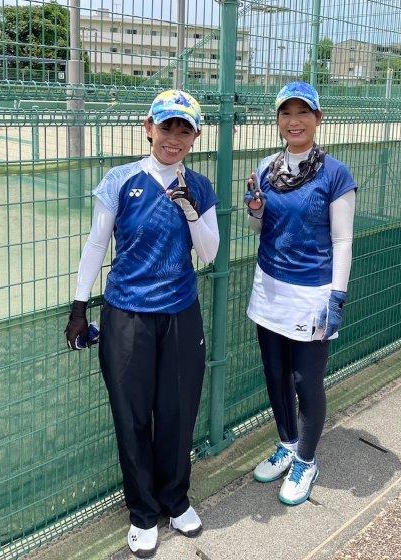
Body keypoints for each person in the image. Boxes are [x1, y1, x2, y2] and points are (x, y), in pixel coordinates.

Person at [65, 89, 219, 557]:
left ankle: (176, 499)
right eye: (166, 126)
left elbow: (209, 254)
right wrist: (79, 307)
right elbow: (96, 244)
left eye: (185, 130)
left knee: (178, 412)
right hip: (127, 314)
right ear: (149, 128)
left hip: (180, 313)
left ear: (195, 138)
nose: (174, 138)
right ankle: (143, 512)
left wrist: (190, 210)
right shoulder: (121, 179)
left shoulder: (200, 186)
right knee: (131, 416)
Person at [244, 81, 357, 506]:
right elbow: (258, 228)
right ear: (277, 120)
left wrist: (337, 296)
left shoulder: (335, 173)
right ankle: (288, 444)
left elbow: (342, 240)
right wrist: (255, 209)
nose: (294, 121)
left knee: (305, 379)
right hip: (270, 287)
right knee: (274, 373)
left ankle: (307, 461)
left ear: (317, 119)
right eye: (286, 113)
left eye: (302, 112)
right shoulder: (266, 168)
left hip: (313, 293)